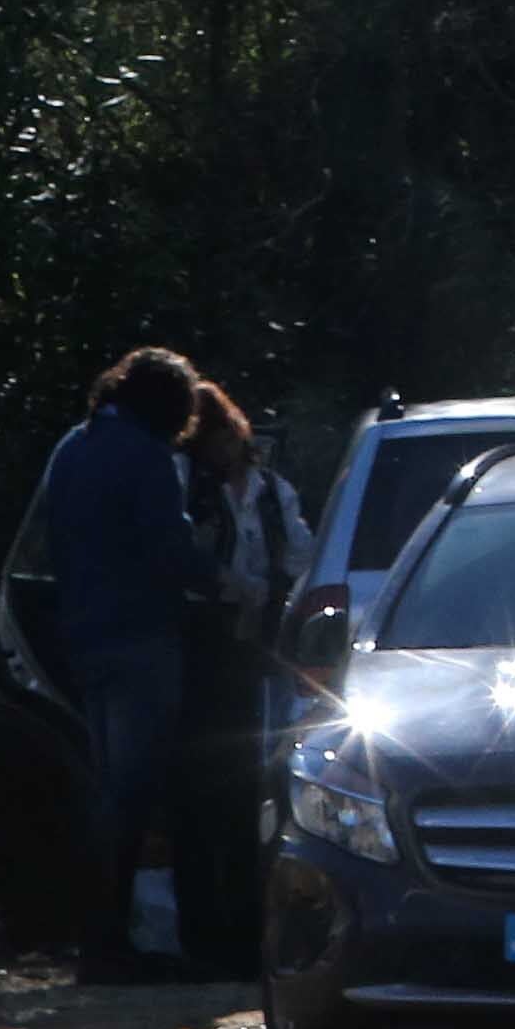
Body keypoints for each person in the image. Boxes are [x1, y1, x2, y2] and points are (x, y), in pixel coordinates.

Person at [39, 346, 217, 981]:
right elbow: (168, 549)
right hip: (141, 636)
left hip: (84, 637)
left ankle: (99, 935)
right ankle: (120, 945)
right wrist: (221, 581)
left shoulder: (72, 448)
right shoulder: (145, 457)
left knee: (109, 783)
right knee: (136, 791)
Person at [174, 379, 313, 974]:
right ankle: (207, 936)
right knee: (205, 794)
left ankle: (248, 930)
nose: (222, 444)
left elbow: (301, 558)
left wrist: (276, 608)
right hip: (203, 654)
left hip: (261, 655)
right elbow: (183, 561)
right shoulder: (185, 489)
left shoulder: (272, 492)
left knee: (255, 792)